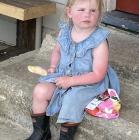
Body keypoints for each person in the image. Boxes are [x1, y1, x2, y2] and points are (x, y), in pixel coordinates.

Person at [26, 0, 120, 140]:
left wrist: (71, 81)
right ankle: (41, 133)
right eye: (81, 10)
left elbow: (98, 74)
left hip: (89, 82)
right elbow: (57, 52)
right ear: (69, 12)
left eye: (93, 11)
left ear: (99, 15)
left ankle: (65, 137)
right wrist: (52, 66)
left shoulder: (99, 41)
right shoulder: (64, 32)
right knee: (40, 90)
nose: (87, 14)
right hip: (63, 76)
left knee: (71, 99)